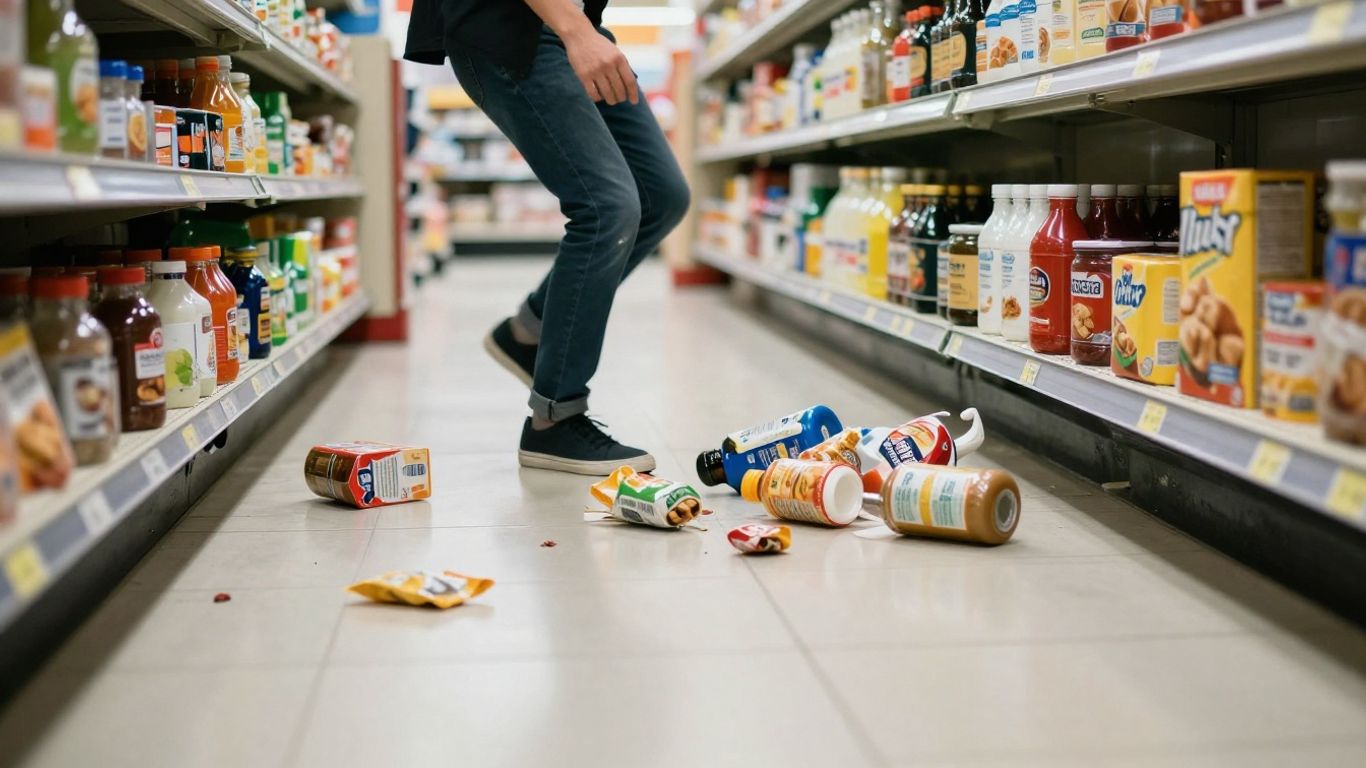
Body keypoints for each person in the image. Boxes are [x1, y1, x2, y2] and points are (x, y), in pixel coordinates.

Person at [406, 0, 689, 475]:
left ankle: (530, 331)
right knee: (607, 207)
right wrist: (575, 31)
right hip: (509, 26)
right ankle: (554, 419)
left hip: (573, 25)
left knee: (662, 196)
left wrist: (582, 29)